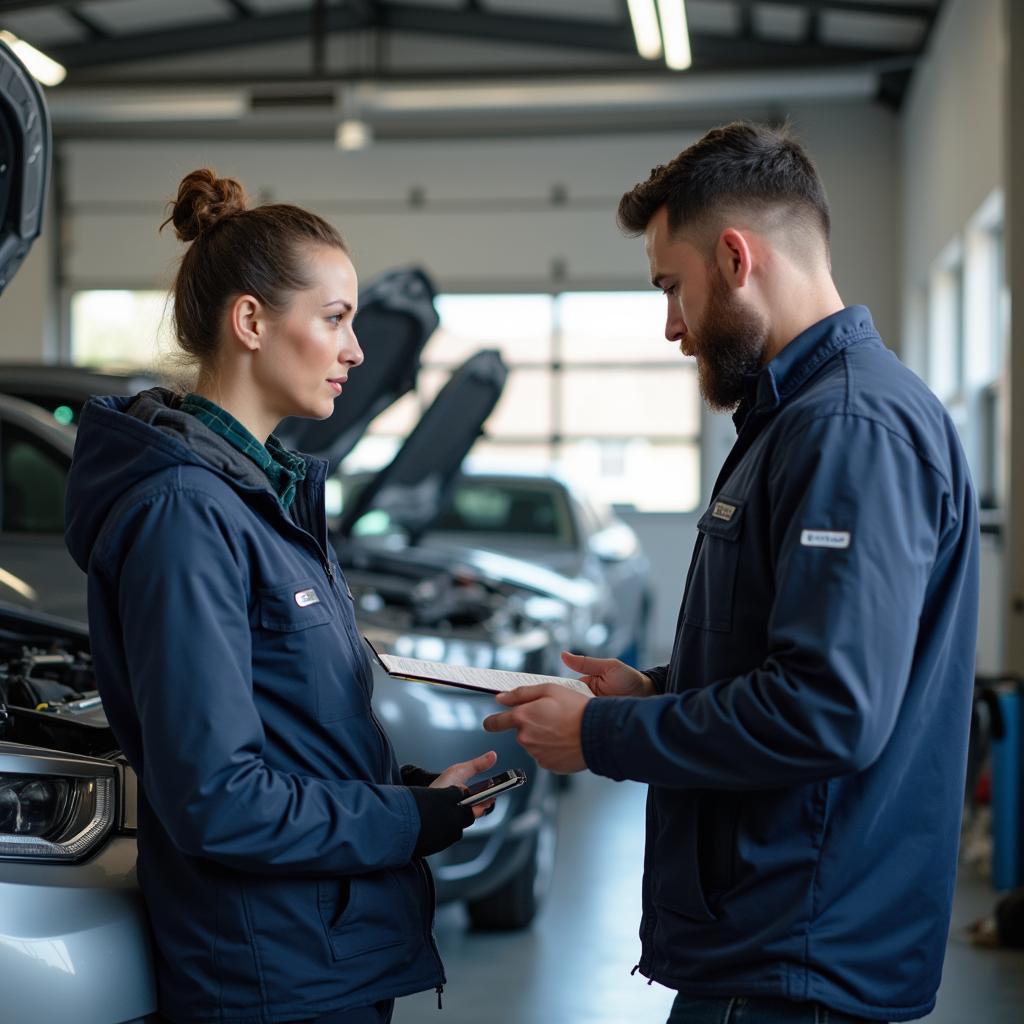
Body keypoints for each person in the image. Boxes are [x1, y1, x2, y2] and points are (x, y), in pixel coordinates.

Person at [484, 122, 980, 1023]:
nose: (671, 326)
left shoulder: (848, 430)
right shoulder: (797, 420)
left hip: (798, 961)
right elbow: (790, 652)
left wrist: (602, 737)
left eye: (673, 287)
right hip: (770, 944)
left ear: (737, 257)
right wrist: (649, 693)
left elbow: (826, 711)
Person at [64, 168, 497, 1024]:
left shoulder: (259, 500)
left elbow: (284, 732)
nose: (357, 350)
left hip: (321, 954)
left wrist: (411, 794)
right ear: (252, 322)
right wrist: (403, 822)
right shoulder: (186, 515)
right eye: (334, 319)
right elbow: (218, 799)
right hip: (270, 975)